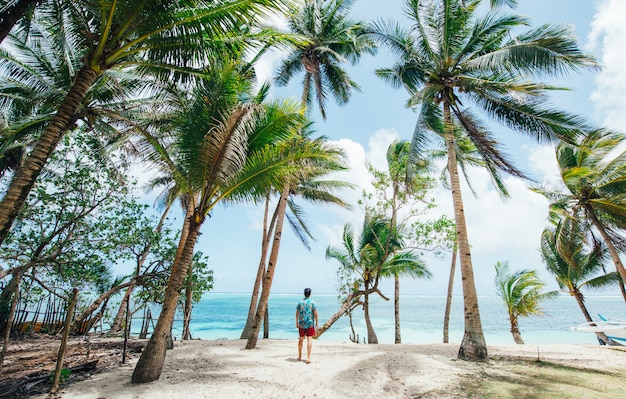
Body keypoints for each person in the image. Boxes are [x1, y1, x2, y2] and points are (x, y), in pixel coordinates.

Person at [296, 287, 318, 364]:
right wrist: (317, 322)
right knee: (309, 339)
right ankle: (308, 357)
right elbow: (315, 313)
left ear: (304, 294)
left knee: (301, 339)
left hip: (301, 323)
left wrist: (296, 322)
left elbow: (297, 313)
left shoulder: (300, 302)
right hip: (310, 323)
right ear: (310, 294)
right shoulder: (312, 303)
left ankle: (299, 356)